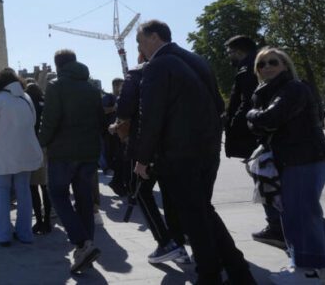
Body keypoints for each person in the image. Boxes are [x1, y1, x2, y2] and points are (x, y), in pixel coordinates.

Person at [134, 20, 255, 285]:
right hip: (207, 149)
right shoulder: (197, 60)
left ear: (154, 37)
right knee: (203, 212)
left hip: (179, 153)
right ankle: (237, 271)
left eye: (140, 41)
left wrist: (142, 158)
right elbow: (216, 103)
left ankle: (210, 275)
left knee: (195, 218)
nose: (139, 48)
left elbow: (151, 116)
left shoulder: (157, 66)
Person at [246, 47, 325, 283]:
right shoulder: (273, 91)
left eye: (273, 62)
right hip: (298, 158)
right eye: (262, 64)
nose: (267, 67)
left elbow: (270, 119)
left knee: (299, 214)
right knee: (308, 213)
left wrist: (250, 115)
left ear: (285, 65)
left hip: (305, 158)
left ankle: (307, 270)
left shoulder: (292, 88)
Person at [112, 53, 189, 265]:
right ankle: (178, 243)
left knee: (141, 191)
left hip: (146, 145)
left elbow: (124, 109)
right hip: (175, 144)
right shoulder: (181, 69)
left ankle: (166, 242)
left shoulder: (137, 73)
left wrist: (118, 128)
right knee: (170, 195)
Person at [40, 50, 104, 272]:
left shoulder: (56, 86)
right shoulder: (92, 88)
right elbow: (100, 121)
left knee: (57, 194)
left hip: (63, 153)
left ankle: (82, 243)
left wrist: (42, 142)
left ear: (58, 66)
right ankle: (87, 245)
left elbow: (50, 120)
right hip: (88, 153)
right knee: (84, 198)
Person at [224, 35, 285, 249]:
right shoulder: (251, 68)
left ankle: (277, 227)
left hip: (255, 136)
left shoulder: (248, 69)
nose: (228, 56)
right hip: (258, 134)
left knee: (266, 181)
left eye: (230, 52)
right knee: (267, 181)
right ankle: (277, 226)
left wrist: (232, 124)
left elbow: (246, 103)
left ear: (239, 51)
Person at [0, 68, 42, 247]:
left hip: (3, 152)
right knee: (24, 191)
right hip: (25, 150)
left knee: (2, 191)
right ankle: (25, 233)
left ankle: (4, 234)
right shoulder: (26, 97)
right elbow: (33, 121)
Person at [25, 82, 51, 235]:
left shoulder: (27, 106)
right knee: (46, 187)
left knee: (33, 186)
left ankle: (39, 221)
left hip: (31, 147)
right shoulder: (46, 104)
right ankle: (47, 220)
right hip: (46, 147)